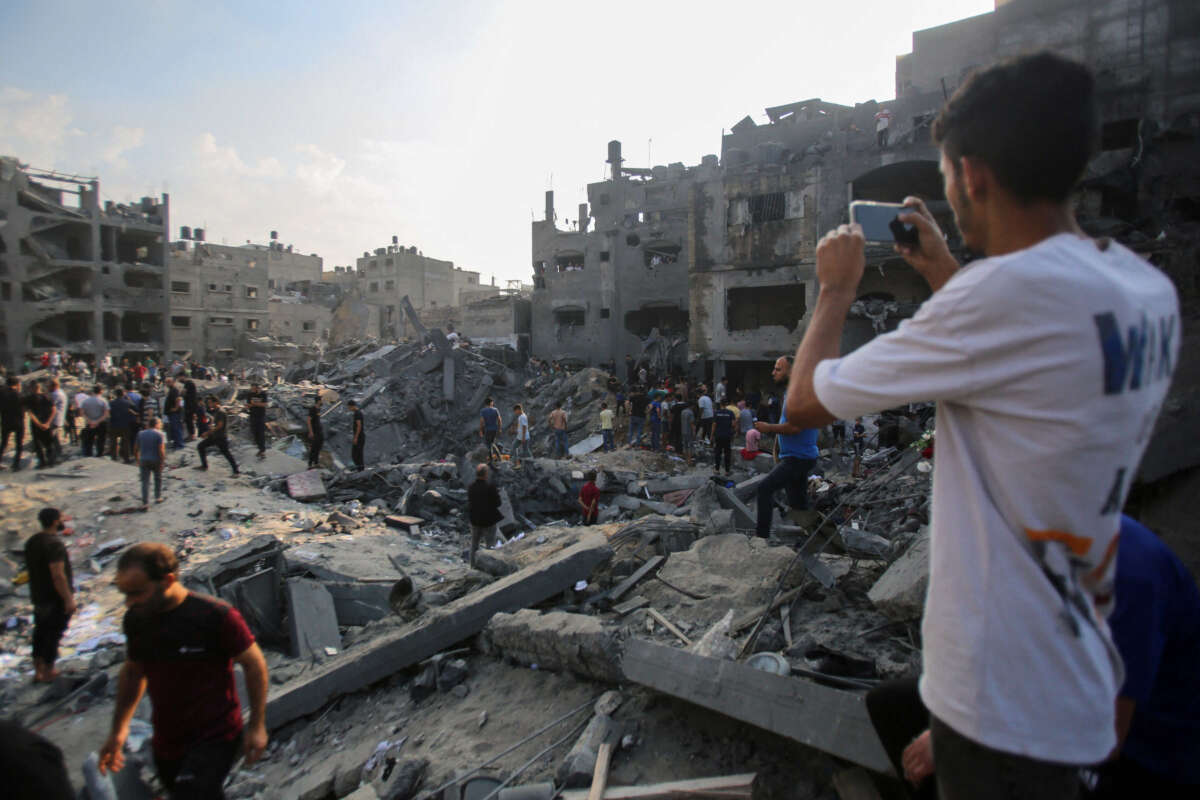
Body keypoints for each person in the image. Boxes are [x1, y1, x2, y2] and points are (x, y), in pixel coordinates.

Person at [781, 53, 1179, 799]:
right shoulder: (1141, 290)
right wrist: (941, 271)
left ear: (970, 176)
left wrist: (833, 290)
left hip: (1001, 700)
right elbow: (1017, 349)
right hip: (1073, 675)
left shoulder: (996, 304)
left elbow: (803, 401)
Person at [866, 516, 1200, 799]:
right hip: (1059, 700)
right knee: (892, 705)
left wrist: (962, 731)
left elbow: (1105, 734)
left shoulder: (1127, 573)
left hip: (1143, 757)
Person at [98, 543, 269, 796]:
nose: (129, 602)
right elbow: (134, 673)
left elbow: (254, 665)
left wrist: (257, 725)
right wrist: (119, 730)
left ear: (167, 580)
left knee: (192, 792)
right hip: (168, 741)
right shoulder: (137, 620)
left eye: (137, 593)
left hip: (216, 735)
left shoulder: (215, 616)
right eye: (125, 593)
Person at [754, 356, 818, 539]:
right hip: (798, 456)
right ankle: (810, 540)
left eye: (778, 369)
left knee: (764, 489)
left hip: (798, 458)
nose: (773, 372)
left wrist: (769, 428)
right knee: (798, 504)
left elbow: (794, 427)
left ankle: (761, 539)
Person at [25, 507, 76, 683]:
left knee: (40, 632)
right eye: (62, 518)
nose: (64, 521)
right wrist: (68, 599)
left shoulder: (32, 542)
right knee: (53, 633)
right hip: (54, 598)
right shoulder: (54, 544)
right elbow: (58, 574)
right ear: (55, 521)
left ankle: (37, 671)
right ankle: (49, 671)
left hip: (38, 596)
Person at [466, 464, 503, 568]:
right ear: (486, 474)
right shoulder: (490, 487)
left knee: (474, 544)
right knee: (490, 544)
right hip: (488, 520)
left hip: (475, 520)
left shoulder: (471, 487)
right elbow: (498, 503)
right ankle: (489, 566)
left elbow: (470, 502)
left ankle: (473, 566)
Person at [196, 395, 239, 475]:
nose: (209, 404)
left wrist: (208, 432)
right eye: (208, 403)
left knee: (226, 453)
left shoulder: (220, 412)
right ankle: (204, 466)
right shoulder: (217, 411)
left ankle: (236, 471)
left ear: (215, 402)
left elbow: (220, 425)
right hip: (215, 436)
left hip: (220, 437)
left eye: (210, 403)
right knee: (200, 446)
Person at [135, 417, 166, 509]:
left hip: (144, 460)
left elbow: (136, 449)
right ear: (156, 424)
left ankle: (145, 502)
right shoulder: (160, 434)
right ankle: (158, 497)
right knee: (158, 478)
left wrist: (137, 460)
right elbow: (161, 450)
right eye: (160, 424)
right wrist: (162, 461)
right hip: (155, 459)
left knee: (145, 481)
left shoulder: (140, 434)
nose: (161, 425)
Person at [26, 381, 57, 469]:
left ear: (32, 388)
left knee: (38, 444)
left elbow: (31, 413)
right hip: (47, 423)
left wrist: (39, 424)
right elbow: (54, 410)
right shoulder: (47, 396)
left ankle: (42, 463)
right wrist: (48, 423)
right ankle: (51, 462)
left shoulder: (30, 398)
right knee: (49, 443)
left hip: (36, 425)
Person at [0, 376, 25, 471]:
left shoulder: (2, 394)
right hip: (18, 421)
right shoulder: (18, 394)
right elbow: (22, 408)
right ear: (17, 384)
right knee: (19, 443)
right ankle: (16, 464)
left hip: (6, 421)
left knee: (4, 443)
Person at [105, 387, 135, 463]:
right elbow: (135, 408)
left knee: (113, 442)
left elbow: (108, 414)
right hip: (125, 425)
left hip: (114, 424)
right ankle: (126, 458)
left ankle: (114, 458)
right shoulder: (127, 402)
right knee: (125, 442)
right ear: (123, 393)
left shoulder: (111, 403)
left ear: (115, 394)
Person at [711, 397, 737, 475]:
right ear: (726, 404)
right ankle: (727, 471)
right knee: (727, 453)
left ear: (720, 404)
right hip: (727, 435)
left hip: (718, 435)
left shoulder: (716, 413)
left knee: (718, 452)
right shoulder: (730, 413)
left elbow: (714, 425)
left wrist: (711, 436)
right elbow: (733, 424)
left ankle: (717, 470)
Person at [246, 380, 268, 458]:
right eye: (251, 388)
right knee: (254, 433)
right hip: (252, 416)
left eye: (254, 388)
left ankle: (262, 451)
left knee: (261, 433)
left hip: (261, 416)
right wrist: (249, 405)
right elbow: (248, 405)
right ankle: (260, 449)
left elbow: (265, 404)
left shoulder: (263, 394)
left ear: (257, 388)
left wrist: (255, 404)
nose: (252, 390)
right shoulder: (249, 394)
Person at [163, 376, 185, 451]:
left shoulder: (174, 390)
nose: (167, 383)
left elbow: (178, 399)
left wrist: (175, 408)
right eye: (166, 382)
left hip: (174, 414)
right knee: (173, 429)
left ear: (173, 382)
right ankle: (176, 443)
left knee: (176, 429)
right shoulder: (171, 390)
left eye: (169, 382)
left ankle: (180, 444)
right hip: (171, 413)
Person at [47, 378, 66, 462]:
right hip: (58, 419)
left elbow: (49, 406)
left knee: (52, 439)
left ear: (54, 386)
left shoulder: (55, 394)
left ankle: (55, 457)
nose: (48, 388)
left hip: (54, 420)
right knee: (55, 438)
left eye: (49, 386)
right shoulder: (61, 393)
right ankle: (57, 456)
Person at [479, 397, 502, 463]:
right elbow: (499, 420)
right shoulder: (495, 410)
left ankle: (491, 459)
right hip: (494, 430)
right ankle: (498, 457)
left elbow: (482, 421)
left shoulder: (483, 411)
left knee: (488, 444)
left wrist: (480, 430)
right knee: (491, 443)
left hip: (487, 430)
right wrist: (499, 429)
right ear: (491, 403)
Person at [306, 394, 323, 469]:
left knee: (318, 447)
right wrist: (311, 432)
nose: (322, 401)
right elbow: (309, 421)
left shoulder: (318, 409)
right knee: (313, 447)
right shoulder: (312, 409)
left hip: (319, 431)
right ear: (318, 401)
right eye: (321, 400)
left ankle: (316, 463)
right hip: (315, 431)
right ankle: (310, 463)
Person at [348, 399, 365, 471]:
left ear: (352, 406)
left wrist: (356, 437)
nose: (349, 409)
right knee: (357, 454)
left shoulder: (357, 413)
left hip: (359, 437)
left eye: (349, 407)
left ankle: (360, 470)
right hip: (360, 436)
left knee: (356, 454)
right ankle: (359, 469)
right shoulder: (357, 413)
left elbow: (359, 426)